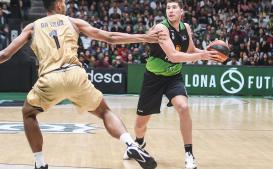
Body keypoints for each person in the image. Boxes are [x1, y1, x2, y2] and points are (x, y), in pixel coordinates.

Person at [0, 0, 164, 169]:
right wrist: (144, 37)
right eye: (63, 2)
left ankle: (40, 164)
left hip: (50, 78)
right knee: (104, 112)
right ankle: (130, 144)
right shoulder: (73, 22)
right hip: (75, 75)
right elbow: (109, 37)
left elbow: (5, 54)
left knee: (28, 113)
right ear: (57, 5)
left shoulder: (32, 27)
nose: (65, 5)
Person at [122, 0, 222, 169]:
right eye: (168, 7)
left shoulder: (186, 28)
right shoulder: (161, 28)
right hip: (153, 78)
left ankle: (189, 154)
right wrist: (202, 56)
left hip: (173, 77)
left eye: (174, 7)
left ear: (181, 11)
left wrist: (211, 54)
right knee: (140, 125)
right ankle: (139, 144)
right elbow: (175, 56)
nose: (170, 10)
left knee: (183, 107)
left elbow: (190, 50)